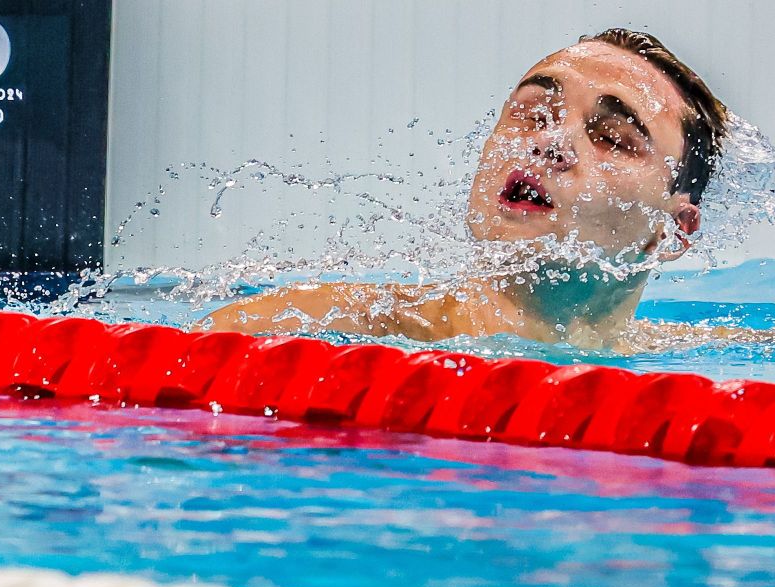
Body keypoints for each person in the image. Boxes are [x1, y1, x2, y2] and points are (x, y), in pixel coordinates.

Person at [201, 29, 746, 350]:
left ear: (674, 231)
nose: (551, 143)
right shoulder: (298, 329)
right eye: (532, 113)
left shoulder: (699, 358)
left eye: (612, 139)